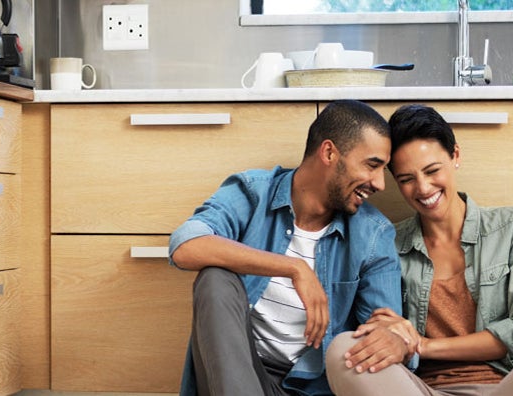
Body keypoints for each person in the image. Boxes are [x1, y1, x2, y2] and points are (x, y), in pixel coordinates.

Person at [326, 104, 513, 396]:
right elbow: (382, 336)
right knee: (343, 351)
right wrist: (394, 339)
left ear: (455, 156)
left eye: (432, 170)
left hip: (511, 388)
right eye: (407, 180)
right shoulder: (386, 243)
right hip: (421, 391)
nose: (423, 188)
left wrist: (423, 344)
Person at [169, 100, 411, 396]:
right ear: (329, 152)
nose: (379, 184)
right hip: (242, 375)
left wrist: (397, 339)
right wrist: (294, 268)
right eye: (372, 165)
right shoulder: (253, 193)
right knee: (215, 280)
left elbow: (382, 331)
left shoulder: (374, 235)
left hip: (316, 388)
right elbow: (185, 245)